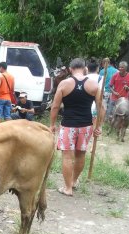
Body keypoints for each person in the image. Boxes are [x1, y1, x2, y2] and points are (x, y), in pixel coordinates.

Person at [50, 58, 103, 197]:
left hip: (68, 125)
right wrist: (99, 126)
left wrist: (52, 125)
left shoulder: (64, 84)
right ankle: (73, 181)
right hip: (86, 126)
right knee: (81, 155)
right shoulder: (93, 84)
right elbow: (100, 106)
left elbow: (55, 106)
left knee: (67, 157)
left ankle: (68, 188)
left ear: (70, 69)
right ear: (85, 68)